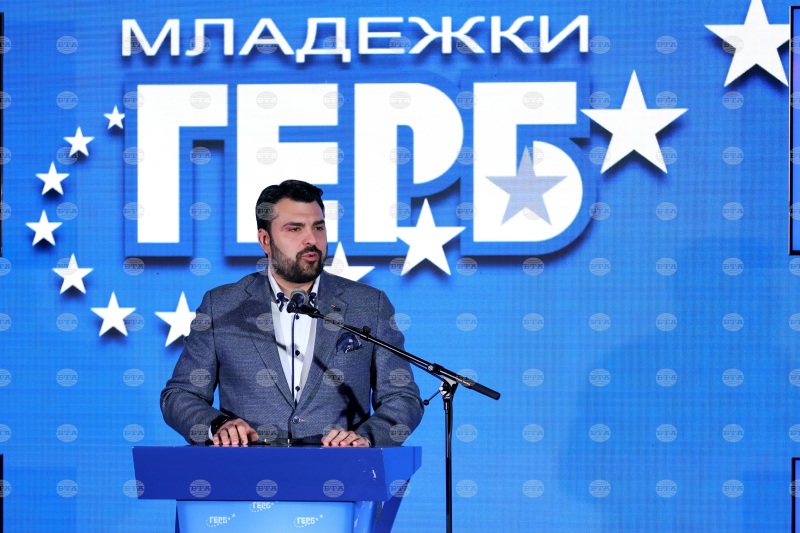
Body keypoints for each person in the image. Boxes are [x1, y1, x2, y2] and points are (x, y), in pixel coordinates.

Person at [160, 180, 424, 447]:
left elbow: (402, 397)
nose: (312, 240)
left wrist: (366, 438)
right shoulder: (222, 306)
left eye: (318, 227)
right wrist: (218, 425)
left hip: (342, 468)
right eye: (295, 229)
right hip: (247, 469)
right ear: (265, 240)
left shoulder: (368, 305)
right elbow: (180, 395)